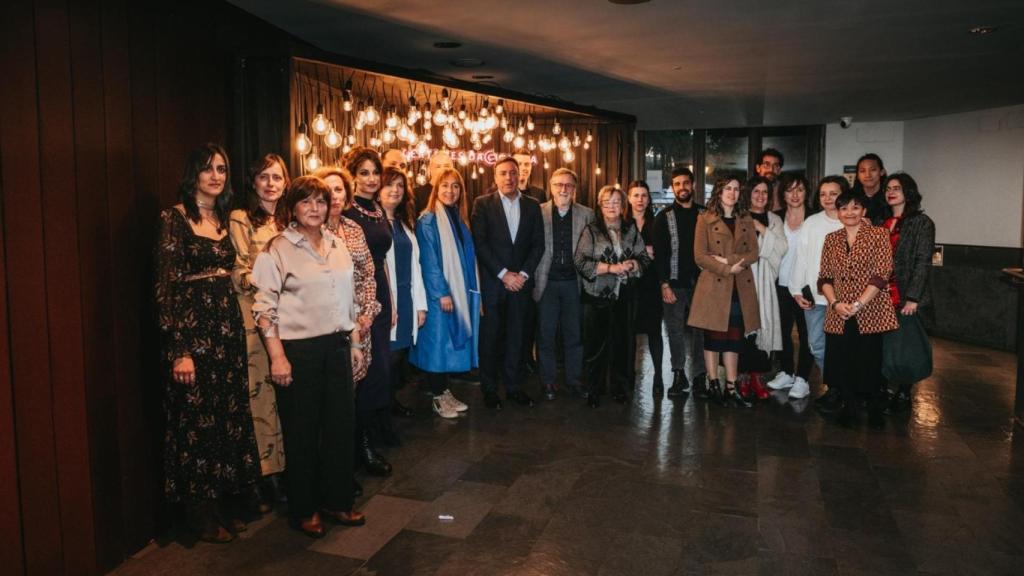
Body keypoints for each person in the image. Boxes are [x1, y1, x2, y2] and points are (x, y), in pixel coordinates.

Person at [251, 175, 369, 538]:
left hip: (336, 347)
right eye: (307, 202)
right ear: (294, 207)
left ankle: (337, 501)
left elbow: (346, 300)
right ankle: (304, 509)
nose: (316, 209)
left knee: (339, 430)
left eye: (321, 201)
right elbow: (263, 309)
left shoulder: (336, 243)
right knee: (302, 433)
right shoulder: (277, 249)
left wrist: (353, 344)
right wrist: (278, 357)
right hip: (298, 352)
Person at [155, 143, 260, 543]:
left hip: (226, 331)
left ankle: (220, 506)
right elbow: (165, 289)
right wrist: (179, 350)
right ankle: (198, 516)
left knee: (223, 421)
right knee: (196, 426)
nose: (216, 175)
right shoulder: (173, 218)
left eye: (222, 168)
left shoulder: (221, 219)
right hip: (194, 337)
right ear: (192, 174)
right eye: (207, 169)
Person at [227, 153, 288, 513]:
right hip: (255, 318)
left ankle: (287, 467)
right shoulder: (241, 218)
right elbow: (238, 269)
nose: (271, 184)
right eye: (264, 177)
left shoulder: (290, 218)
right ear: (253, 182)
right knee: (260, 397)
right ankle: (265, 475)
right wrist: (274, 283)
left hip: (291, 318)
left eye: (277, 177)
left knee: (286, 392)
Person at [818, 190, 899, 428]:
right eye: (844, 208)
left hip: (870, 309)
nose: (849, 213)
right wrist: (835, 304)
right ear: (838, 212)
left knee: (869, 360)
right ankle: (849, 405)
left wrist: (858, 304)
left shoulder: (878, 235)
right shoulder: (831, 238)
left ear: (864, 210)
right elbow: (824, 278)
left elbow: (882, 274)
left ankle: (874, 406)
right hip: (839, 310)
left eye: (855, 207)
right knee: (843, 360)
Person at [471, 156, 544, 410]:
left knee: (517, 338)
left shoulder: (534, 206)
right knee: (490, 339)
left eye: (513, 173)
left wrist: (522, 275)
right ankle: (489, 390)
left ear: (520, 175)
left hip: (521, 286)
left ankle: (514, 388)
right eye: (503, 173)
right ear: (495, 177)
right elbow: (480, 243)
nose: (509, 178)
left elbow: (538, 245)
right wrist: (504, 274)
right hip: (494, 284)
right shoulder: (482, 204)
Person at [342, 148, 397, 474]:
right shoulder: (347, 211)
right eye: (363, 172)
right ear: (352, 175)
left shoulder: (376, 208)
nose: (371, 179)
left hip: (379, 293)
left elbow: (383, 262)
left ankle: (369, 437)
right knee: (361, 372)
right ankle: (358, 445)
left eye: (375, 172)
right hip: (357, 297)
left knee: (379, 370)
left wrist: (391, 300)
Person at [410, 168, 479, 418]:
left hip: (458, 292)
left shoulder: (458, 220)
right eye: (445, 186)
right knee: (437, 346)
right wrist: (442, 292)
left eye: (455, 186)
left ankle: (444, 390)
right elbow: (429, 261)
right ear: (435, 190)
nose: (450, 191)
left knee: (447, 346)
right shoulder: (428, 220)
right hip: (439, 295)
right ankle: (438, 396)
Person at [575, 185, 651, 407]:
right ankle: (593, 390)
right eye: (607, 202)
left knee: (623, 345)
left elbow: (645, 258)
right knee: (595, 347)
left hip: (625, 296)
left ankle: (621, 388)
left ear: (623, 205)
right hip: (596, 296)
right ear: (600, 205)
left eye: (616, 202)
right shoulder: (591, 230)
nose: (611, 206)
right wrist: (610, 268)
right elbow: (580, 262)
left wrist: (634, 263)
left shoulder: (631, 229)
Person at [688, 178, 760, 408]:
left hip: (740, 286)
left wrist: (729, 261)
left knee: (734, 338)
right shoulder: (704, 219)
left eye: (736, 189)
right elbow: (699, 256)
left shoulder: (746, 219)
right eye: (727, 188)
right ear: (719, 192)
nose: (732, 192)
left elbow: (754, 253)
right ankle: (713, 385)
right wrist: (727, 268)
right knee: (713, 338)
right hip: (714, 286)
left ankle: (731, 387)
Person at [533, 168, 594, 400]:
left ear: (575, 189)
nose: (563, 189)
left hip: (573, 283)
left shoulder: (587, 215)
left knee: (574, 336)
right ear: (551, 187)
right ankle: (548, 382)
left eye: (568, 185)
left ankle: (574, 380)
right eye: (559, 185)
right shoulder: (538, 212)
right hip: (546, 282)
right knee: (546, 335)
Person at [788, 176, 847, 407]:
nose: (828, 198)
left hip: (845, 299)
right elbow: (801, 258)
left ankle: (842, 389)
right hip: (815, 296)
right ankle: (835, 385)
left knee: (843, 346)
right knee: (816, 344)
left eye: (833, 193)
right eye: (823, 194)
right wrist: (795, 289)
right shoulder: (812, 222)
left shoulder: (852, 220)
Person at [880, 172, 935, 414]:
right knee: (885, 346)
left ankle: (903, 393)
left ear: (908, 193)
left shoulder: (921, 223)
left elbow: (923, 261)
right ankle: (884, 389)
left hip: (904, 296)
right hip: (879, 295)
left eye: (897, 188)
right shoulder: (880, 221)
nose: (891, 192)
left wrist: (913, 297)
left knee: (905, 347)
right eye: (888, 188)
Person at [653, 166, 706, 399]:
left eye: (686, 183)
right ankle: (678, 374)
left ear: (692, 185)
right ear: (672, 187)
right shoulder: (663, 217)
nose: (682, 187)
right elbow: (660, 254)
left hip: (702, 284)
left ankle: (700, 376)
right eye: (677, 184)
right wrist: (664, 284)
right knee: (674, 331)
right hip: (673, 283)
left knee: (700, 331)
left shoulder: (705, 215)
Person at [379, 167, 427, 418]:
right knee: (386, 358)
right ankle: (381, 406)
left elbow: (416, 267)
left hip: (407, 299)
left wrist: (420, 305)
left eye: (400, 185)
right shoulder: (373, 223)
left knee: (399, 356)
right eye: (389, 184)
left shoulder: (403, 223)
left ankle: (390, 400)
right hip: (387, 301)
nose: (395, 190)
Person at [766, 174, 815, 398]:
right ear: (783, 194)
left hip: (807, 287)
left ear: (806, 193)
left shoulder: (815, 218)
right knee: (782, 331)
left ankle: (803, 378)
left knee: (807, 334)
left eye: (800, 190)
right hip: (781, 284)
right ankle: (786, 371)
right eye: (790, 190)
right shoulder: (775, 218)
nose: (795, 195)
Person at [740, 176, 787, 400]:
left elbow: (781, 247)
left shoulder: (774, 219)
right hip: (742, 280)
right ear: (748, 193)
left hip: (765, 283)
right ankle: (742, 379)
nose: (760, 196)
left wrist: (761, 228)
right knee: (742, 331)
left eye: (765, 192)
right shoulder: (739, 216)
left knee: (763, 327)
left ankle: (758, 379)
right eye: (756, 191)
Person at [625, 180, 666, 398]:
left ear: (649, 199)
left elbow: (663, 253)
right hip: (628, 285)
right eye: (636, 195)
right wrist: (643, 254)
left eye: (644, 195)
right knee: (629, 332)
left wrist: (650, 255)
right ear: (629, 198)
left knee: (654, 333)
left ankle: (659, 377)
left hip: (651, 284)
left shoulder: (657, 223)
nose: (640, 200)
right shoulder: (622, 223)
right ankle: (629, 375)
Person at [852, 153, 887, 223]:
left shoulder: (890, 197)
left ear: (882, 172)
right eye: (862, 171)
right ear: (858, 175)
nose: (868, 175)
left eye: (873, 170)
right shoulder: (850, 197)